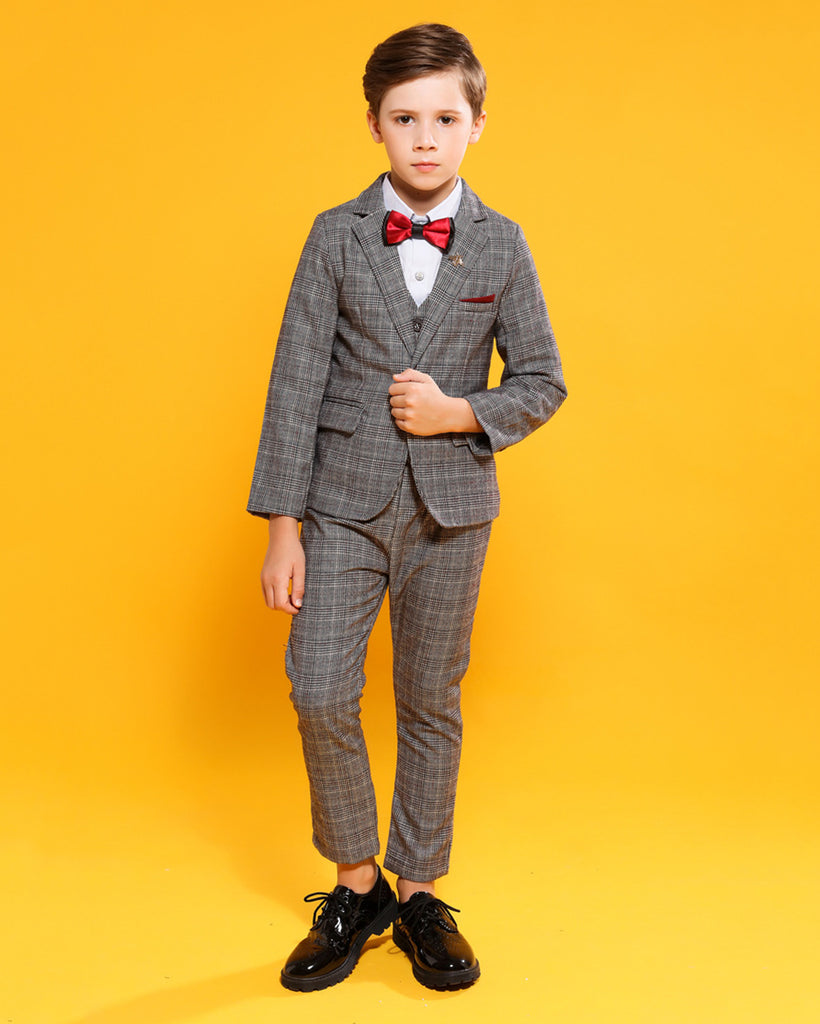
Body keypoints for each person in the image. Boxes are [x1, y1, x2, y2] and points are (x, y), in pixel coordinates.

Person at [248, 23, 566, 992]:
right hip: (340, 506)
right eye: (403, 119)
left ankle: (421, 890)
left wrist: (460, 411)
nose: (425, 138)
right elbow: (295, 381)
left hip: (451, 513)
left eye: (444, 118)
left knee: (430, 698)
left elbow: (543, 380)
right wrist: (283, 526)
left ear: (477, 125)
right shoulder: (334, 235)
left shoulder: (501, 243)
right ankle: (358, 885)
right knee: (318, 688)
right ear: (374, 125)